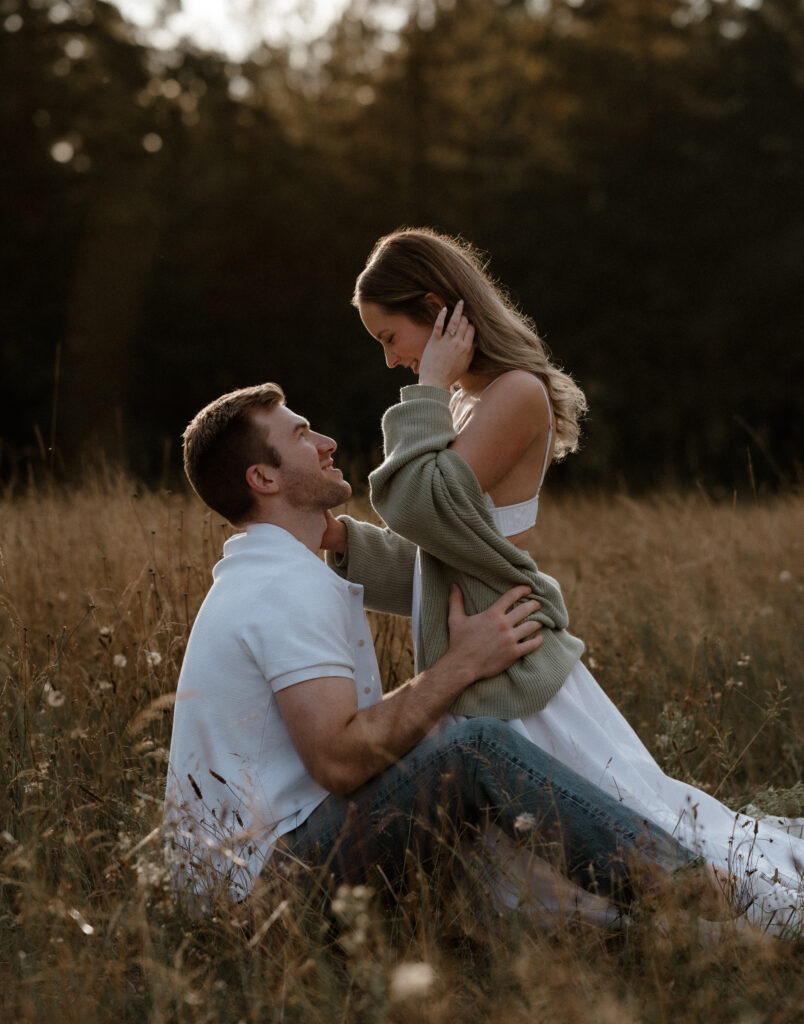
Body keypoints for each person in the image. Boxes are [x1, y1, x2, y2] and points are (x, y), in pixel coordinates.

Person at [323, 226, 803, 937]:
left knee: (621, 835)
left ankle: (749, 913)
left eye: (391, 336)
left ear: (439, 309)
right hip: (481, 648)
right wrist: (339, 547)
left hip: (512, 670)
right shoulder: (464, 403)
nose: (390, 358)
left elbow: (417, 503)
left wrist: (426, 387)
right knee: (549, 862)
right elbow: (436, 557)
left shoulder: (515, 394)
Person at [163, 381, 708, 927]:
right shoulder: (281, 586)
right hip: (257, 894)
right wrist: (464, 664)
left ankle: (624, 905)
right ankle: (685, 893)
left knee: (445, 742)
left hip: (266, 867)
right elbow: (340, 761)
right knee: (472, 751)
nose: (327, 442)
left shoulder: (271, 571)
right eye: (303, 435)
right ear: (264, 478)